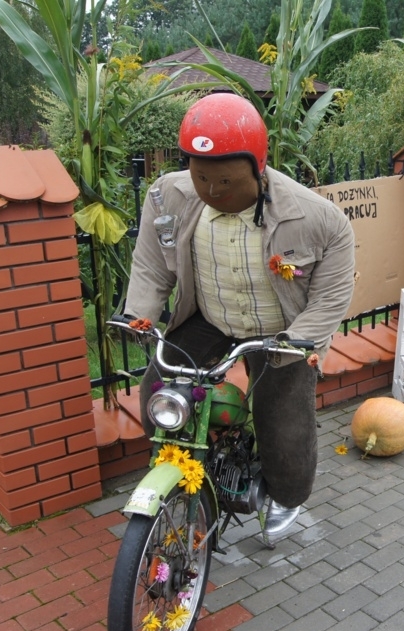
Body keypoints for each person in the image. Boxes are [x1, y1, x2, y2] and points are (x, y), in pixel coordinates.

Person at [124, 93, 355, 545]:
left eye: (226, 181)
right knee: (158, 389)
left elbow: (331, 296)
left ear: (257, 168)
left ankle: (286, 495)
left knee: (283, 423)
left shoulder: (319, 219)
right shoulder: (168, 196)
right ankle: (192, 467)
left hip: (281, 331)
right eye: (201, 177)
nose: (212, 191)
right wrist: (140, 315)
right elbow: (151, 264)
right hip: (209, 315)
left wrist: (298, 340)